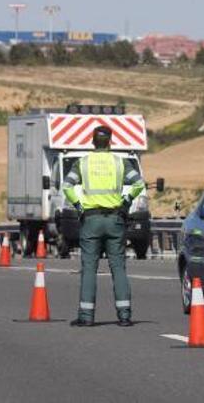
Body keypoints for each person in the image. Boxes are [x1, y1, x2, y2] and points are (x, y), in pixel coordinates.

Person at [62, 126, 145, 327]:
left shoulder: (82, 163)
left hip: (91, 220)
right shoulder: (120, 162)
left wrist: (79, 206)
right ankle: (124, 316)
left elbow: (67, 186)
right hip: (115, 219)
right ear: (110, 142)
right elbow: (139, 184)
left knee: (89, 267)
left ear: (92, 142)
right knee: (118, 267)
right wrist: (126, 202)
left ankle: (86, 316)